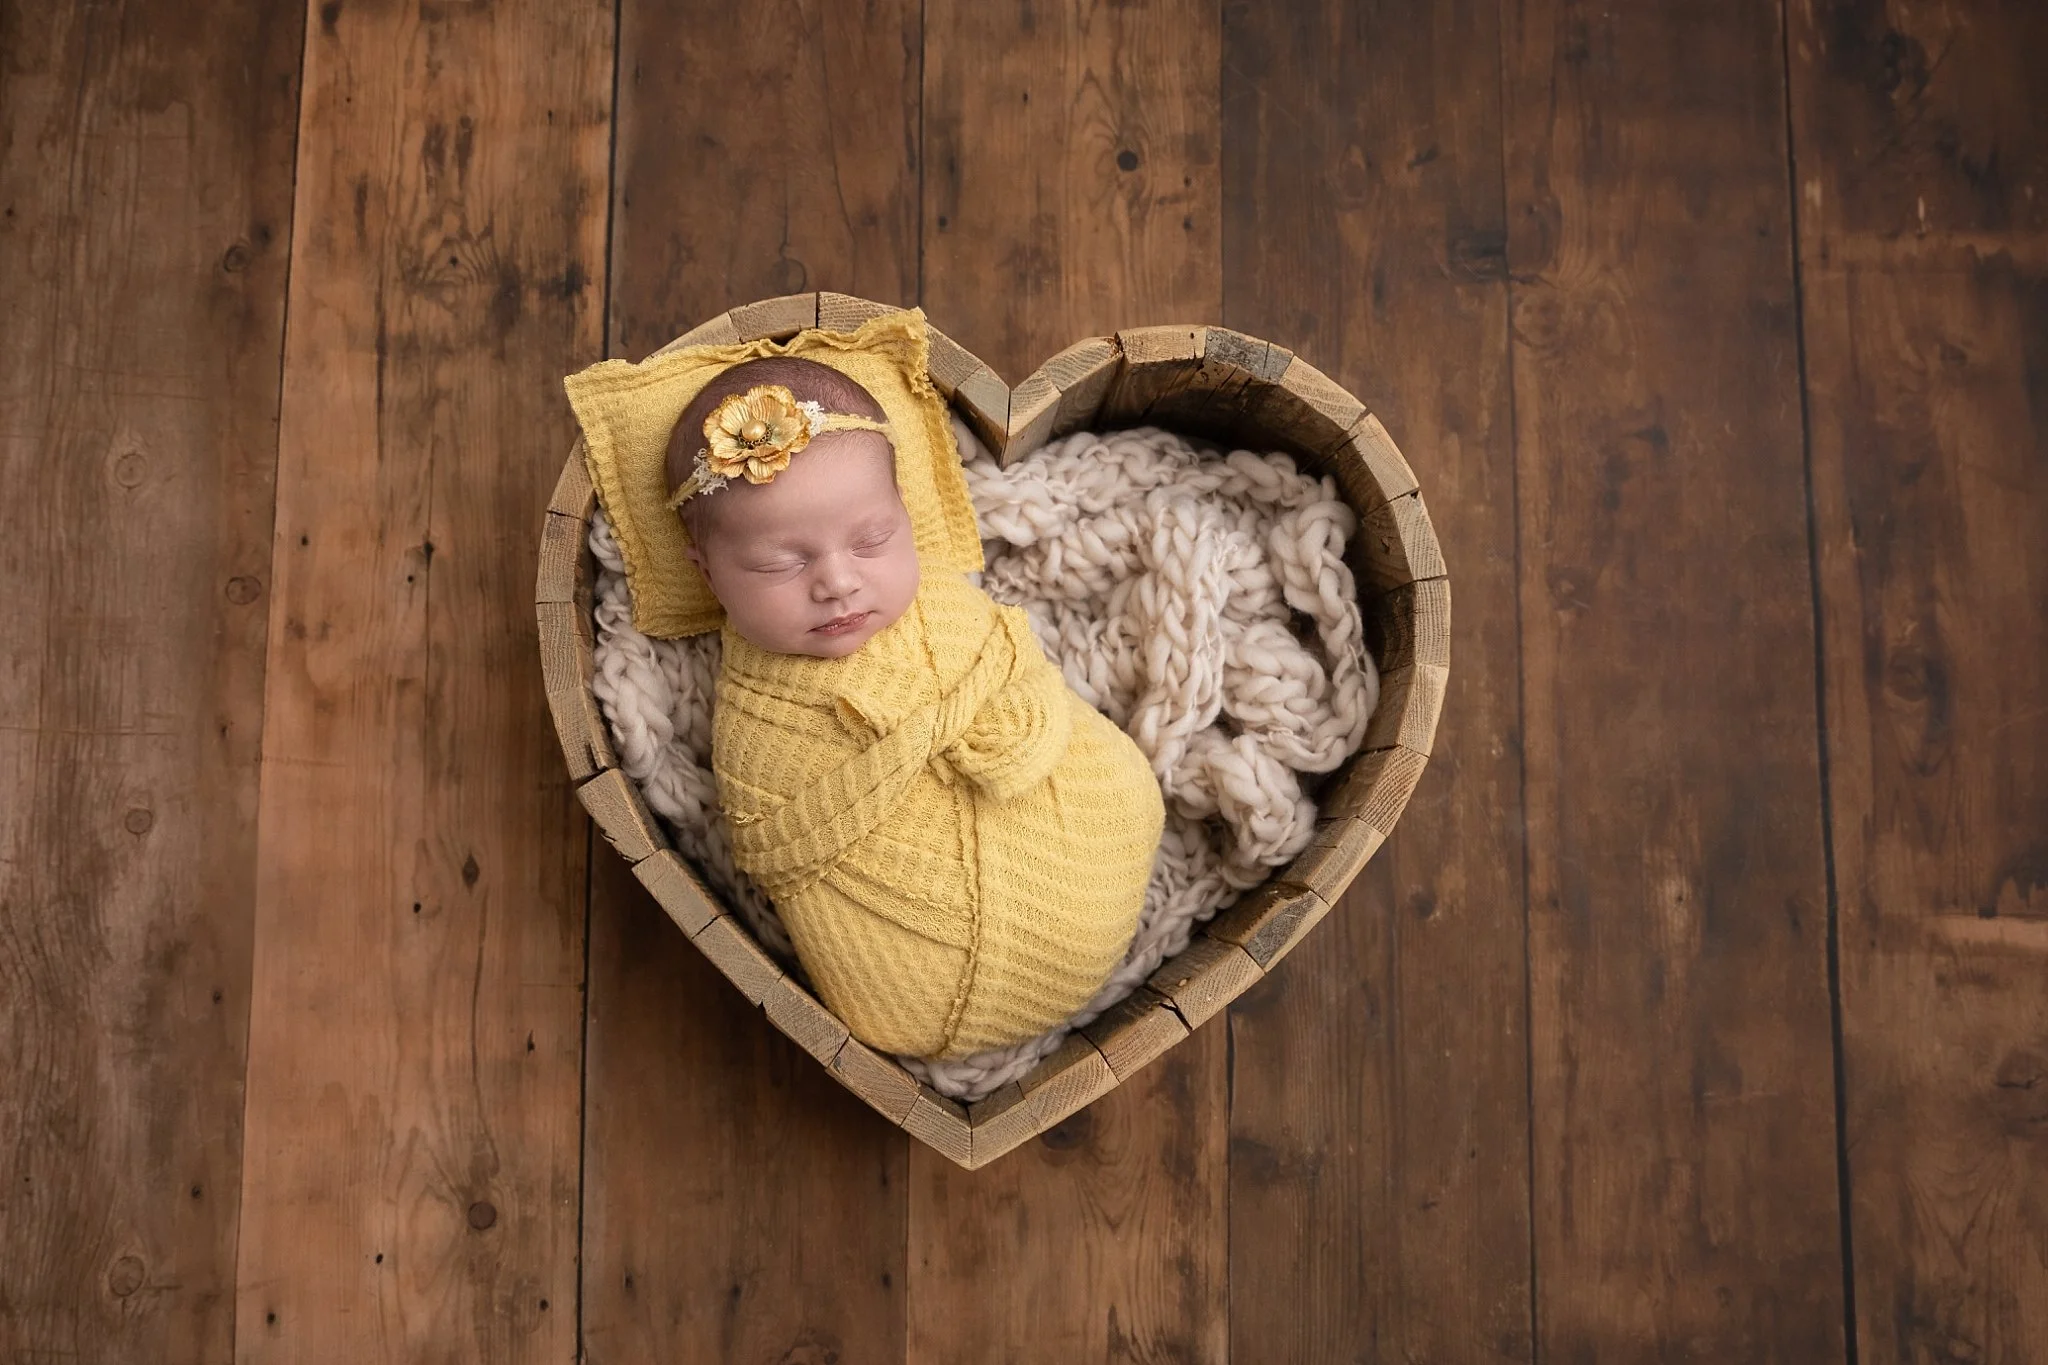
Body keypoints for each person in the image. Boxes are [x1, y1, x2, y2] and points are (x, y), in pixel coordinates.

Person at [564, 309, 1163, 1059]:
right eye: (782, 563)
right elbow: (772, 841)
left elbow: (1020, 675)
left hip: (1084, 846)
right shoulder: (754, 716)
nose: (839, 583)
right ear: (705, 571)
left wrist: (1006, 732)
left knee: (1119, 785)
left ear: (905, 519)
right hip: (927, 987)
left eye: (873, 539)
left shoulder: (942, 603)